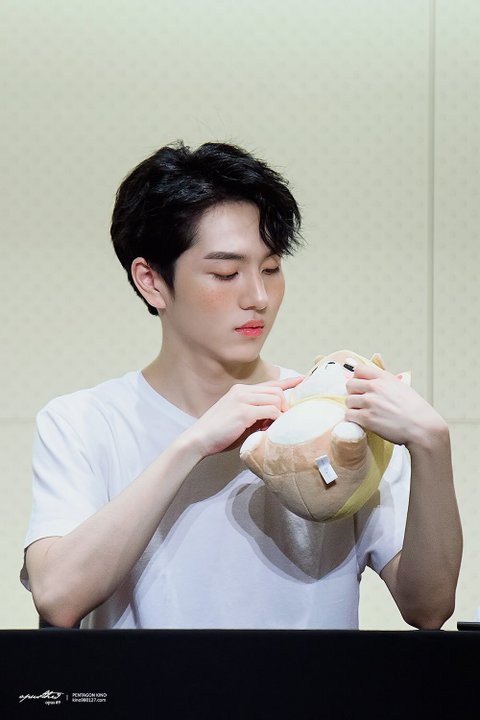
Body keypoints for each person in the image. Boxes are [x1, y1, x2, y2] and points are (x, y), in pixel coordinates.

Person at [21, 141, 462, 630]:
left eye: (271, 269)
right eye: (226, 273)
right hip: (146, 685)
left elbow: (429, 607)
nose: (258, 296)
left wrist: (431, 446)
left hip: (313, 684)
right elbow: (58, 597)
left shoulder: (334, 411)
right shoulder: (85, 421)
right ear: (151, 281)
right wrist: (191, 445)